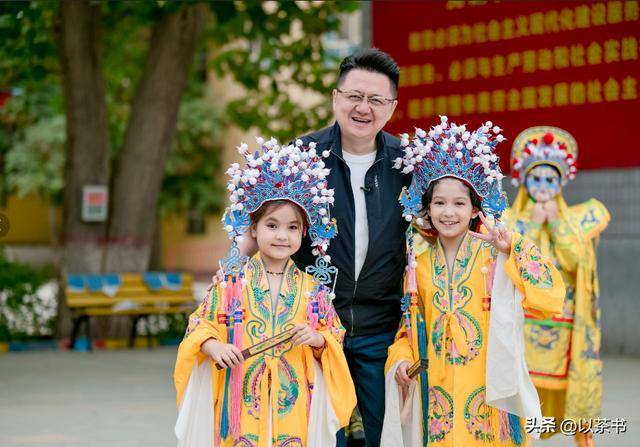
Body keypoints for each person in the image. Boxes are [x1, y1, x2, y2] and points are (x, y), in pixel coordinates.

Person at [236, 48, 410, 447]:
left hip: (381, 326)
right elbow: (258, 224)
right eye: (354, 96)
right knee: (317, 432)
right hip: (308, 325)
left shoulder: (406, 165)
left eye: (376, 99)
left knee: (380, 433)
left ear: (391, 107)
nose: (363, 108)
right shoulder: (302, 157)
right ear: (335, 98)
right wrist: (230, 272)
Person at [380, 116, 565, 446]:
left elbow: (549, 297)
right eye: (439, 203)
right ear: (427, 208)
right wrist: (401, 360)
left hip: (488, 395)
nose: (448, 212)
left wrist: (513, 249)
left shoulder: (495, 257)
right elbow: (408, 330)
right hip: (438, 396)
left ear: (475, 209)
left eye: (459, 203)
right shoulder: (418, 266)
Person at [174, 137, 356, 447]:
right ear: (253, 229)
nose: (282, 235)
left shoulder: (313, 289)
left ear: (304, 233)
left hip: (294, 402)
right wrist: (213, 346)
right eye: (272, 225)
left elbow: (334, 335)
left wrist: (317, 339)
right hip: (240, 396)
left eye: (292, 227)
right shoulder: (231, 283)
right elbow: (199, 325)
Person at [505, 126, 610, 447]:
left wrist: (556, 224)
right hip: (522, 323)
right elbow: (511, 263)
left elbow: (577, 262)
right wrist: (533, 224)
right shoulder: (509, 221)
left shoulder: (577, 220)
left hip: (564, 326)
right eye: (536, 179)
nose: (543, 186)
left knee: (569, 392)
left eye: (550, 180)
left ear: (561, 184)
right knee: (520, 391)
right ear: (524, 182)